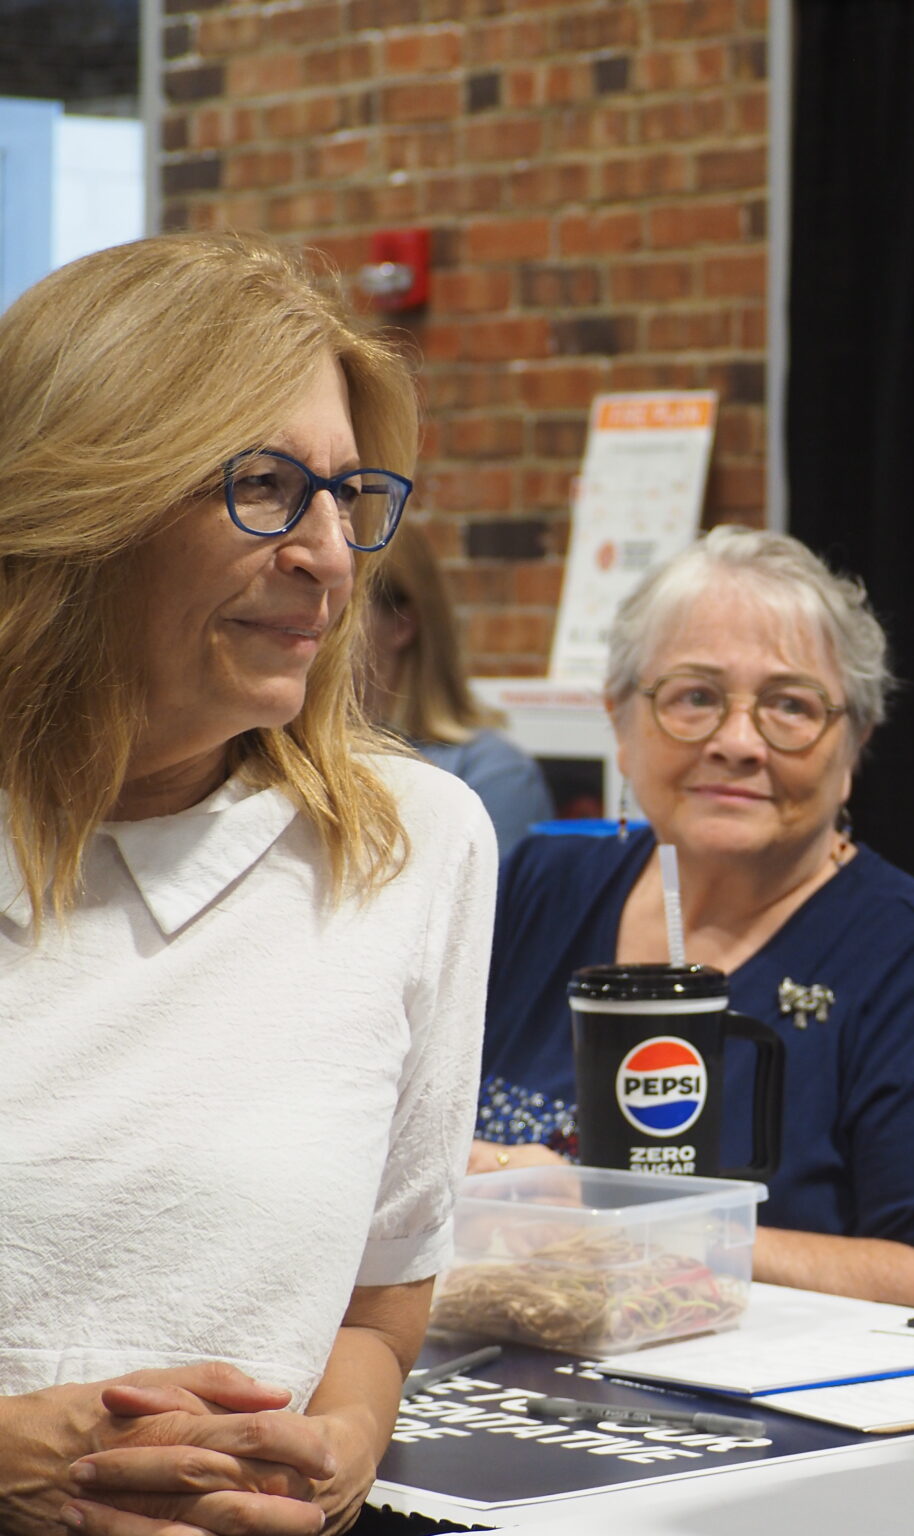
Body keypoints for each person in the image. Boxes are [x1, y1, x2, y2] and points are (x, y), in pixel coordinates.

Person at [0, 234, 494, 1535]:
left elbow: (385, 1296)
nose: (329, 554)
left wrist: (346, 1440)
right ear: (82, 503)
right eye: (267, 487)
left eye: (346, 497)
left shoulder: (414, 848)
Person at [474, 525, 914, 1322]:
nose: (738, 742)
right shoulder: (541, 886)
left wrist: (621, 1225)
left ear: (854, 743)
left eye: (790, 706)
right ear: (619, 719)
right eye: (695, 696)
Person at [364, 522, 554, 859]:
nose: (317, 619)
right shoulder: (289, 756)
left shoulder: (494, 775)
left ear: (400, 625)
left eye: (344, 606)